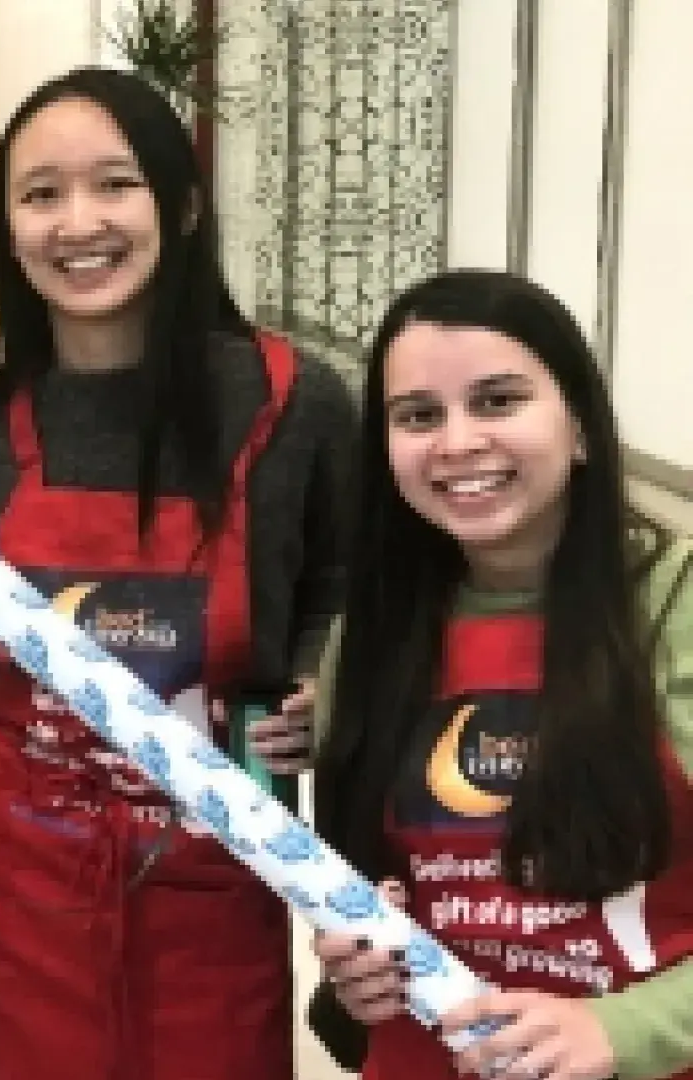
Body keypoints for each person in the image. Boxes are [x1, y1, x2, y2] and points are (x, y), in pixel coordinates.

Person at [0, 67, 355, 1079]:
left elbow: (345, 592)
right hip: (8, 893)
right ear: (8, 227)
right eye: (41, 195)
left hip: (205, 895)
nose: (79, 223)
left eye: (115, 184)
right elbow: (4, 657)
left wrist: (319, 692)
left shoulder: (296, 408)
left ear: (184, 203)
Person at [311, 270, 693, 1080]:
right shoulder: (372, 631)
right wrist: (356, 963)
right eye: (418, 416)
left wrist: (631, 1028)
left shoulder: (676, 604)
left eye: (497, 402)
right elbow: (366, 880)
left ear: (582, 427)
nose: (457, 443)